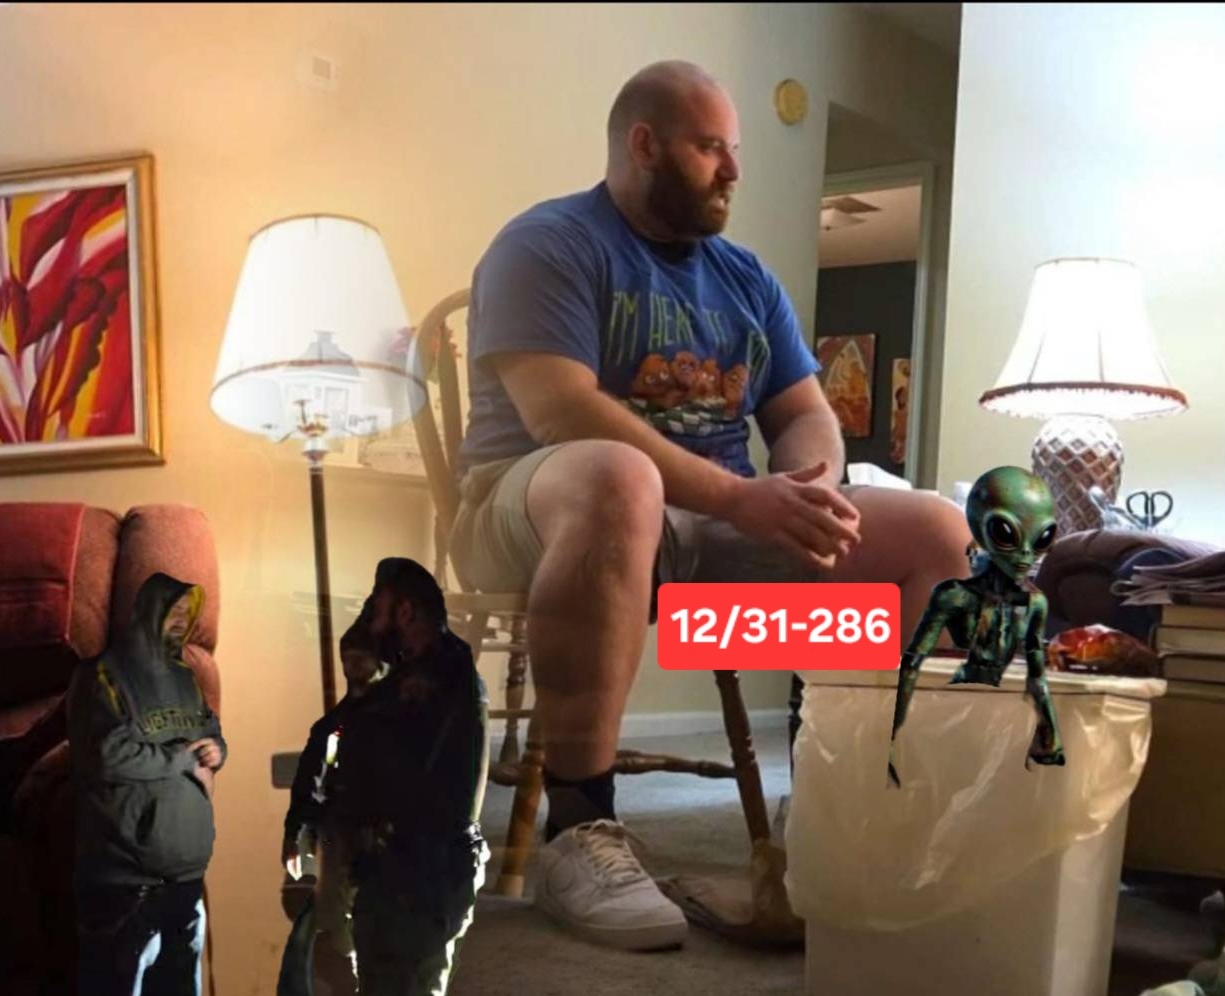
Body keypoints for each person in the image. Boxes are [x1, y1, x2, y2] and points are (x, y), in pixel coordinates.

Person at [453, 59, 971, 948]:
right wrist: (740, 497)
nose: (733, 170)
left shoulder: (745, 279)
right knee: (621, 477)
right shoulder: (546, 244)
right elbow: (562, 412)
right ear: (644, 146)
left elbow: (804, 412)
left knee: (933, 530)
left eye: (735, 149)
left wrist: (806, 492)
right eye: (710, 148)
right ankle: (579, 829)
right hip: (533, 515)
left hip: (706, 563)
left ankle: (860, 817)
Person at [307, 557, 487, 996]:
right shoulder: (447, 671)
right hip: (429, 865)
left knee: (395, 974)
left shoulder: (425, 687)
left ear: (405, 612)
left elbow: (387, 773)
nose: (372, 620)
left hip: (412, 872)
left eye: (377, 608)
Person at [70, 572, 226, 996]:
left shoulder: (186, 678)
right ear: (149, 612)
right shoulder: (102, 675)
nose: (181, 621)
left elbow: (210, 731)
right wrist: (181, 759)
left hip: (186, 879)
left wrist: (216, 751)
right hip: (126, 884)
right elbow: (105, 755)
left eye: (187, 613)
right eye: (173, 611)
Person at [278, 614, 388, 996]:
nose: (353, 667)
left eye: (362, 658)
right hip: (342, 833)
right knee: (337, 922)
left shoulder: (402, 720)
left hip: (390, 837)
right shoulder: (335, 727)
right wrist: (296, 831)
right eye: (348, 659)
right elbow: (312, 780)